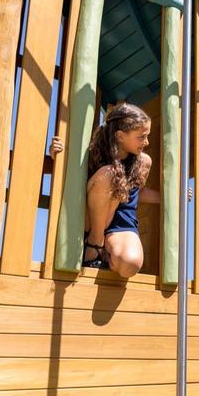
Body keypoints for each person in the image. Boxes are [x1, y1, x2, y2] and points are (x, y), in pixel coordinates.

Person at [50, 103, 156, 277]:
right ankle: (95, 243)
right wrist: (57, 155)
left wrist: (172, 198)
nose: (146, 142)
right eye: (141, 137)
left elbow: (138, 193)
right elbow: (72, 175)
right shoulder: (93, 153)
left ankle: (107, 252)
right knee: (110, 174)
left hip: (120, 221)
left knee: (130, 264)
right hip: (92, 220)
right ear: (120, 136)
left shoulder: (143, 162)